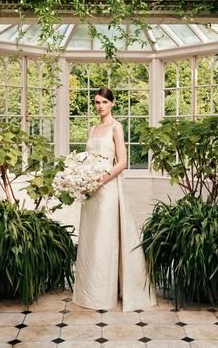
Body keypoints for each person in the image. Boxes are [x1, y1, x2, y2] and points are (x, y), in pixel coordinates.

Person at [73, 87, 157, 312]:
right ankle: (90, 291)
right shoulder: (92, 129)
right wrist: (82, 178)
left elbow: (122, 162)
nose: (100, 106)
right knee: (92, 238)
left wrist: (100, 181)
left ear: (112, 103)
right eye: (97, 102)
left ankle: (106, 295)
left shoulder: (115, 127)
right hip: (90, 191)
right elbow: (87, 158)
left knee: (105, 238)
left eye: (103, 102)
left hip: (107, 189)